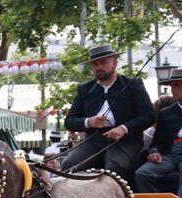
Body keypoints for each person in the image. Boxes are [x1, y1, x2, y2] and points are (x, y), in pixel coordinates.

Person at [61, 44, 153, 180]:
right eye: (95, 64)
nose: (99, 67)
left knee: (115, 169)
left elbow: (149, 116)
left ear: (114, 63)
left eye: (103, 62)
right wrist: (88, 121)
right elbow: (69, 122)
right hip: (94, 140)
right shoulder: (84, 89)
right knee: (69, 165)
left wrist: (124, 128)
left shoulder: (132, 84)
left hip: (125, 141)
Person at [134, 69, 182, 194]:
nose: (172, 90)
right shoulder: (166, 113)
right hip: (172, 154)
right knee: (142, 173)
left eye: (176, 85)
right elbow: (157, 143)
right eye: (171, 86)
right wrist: (154, 152)